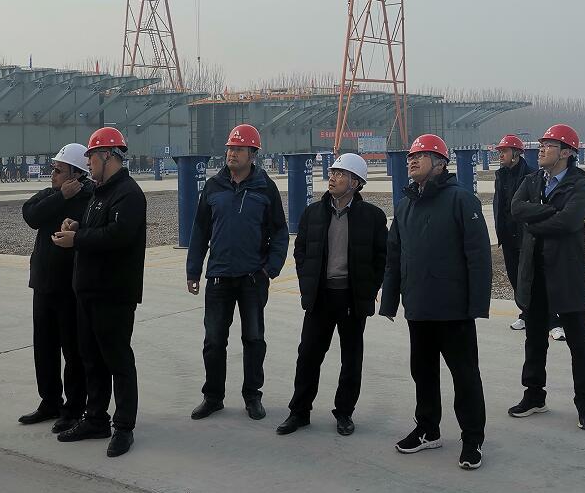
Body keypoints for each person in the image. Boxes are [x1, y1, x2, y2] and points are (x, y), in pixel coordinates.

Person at [380, 134, 492, 471]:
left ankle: (472, 439)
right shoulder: (405, 205)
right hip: (418, 307)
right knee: (423, 373)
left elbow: (478, 256)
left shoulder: (462, 200)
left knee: (465, 376)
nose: (412, 161)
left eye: (421, 155)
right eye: (410, 156)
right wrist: (390, 301)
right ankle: (428, 429)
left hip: (454, 309)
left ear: (440, 163)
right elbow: (394, 257)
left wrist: (477, 304)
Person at [51, 127, 147, 458]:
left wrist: (78, 239)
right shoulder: (100, 193)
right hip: (88, 291)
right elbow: (100, 229)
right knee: (91, 359)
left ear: (107, 156)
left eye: (91, 158)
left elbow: (118, 236)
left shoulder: (128, 194)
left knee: (118, 360)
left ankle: (124, 427)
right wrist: (78, 227)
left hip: (114, 293)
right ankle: (95, 419)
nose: (89, 164)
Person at [278, 153, 388, 437]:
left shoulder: (373, 217)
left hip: (352, 299)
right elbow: (301, 251)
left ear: (355, 183)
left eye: (341, 174)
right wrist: (307, 283)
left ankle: (344, 413)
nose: (333, 177)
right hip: (321, 297)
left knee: (351, 359)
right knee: (308, 356)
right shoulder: (313, 213)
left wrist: (369, 288)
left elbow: (381, 257)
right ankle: (299, 412)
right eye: (333, 172)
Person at [186, 124, 289, 422]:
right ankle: (213, 397)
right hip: (218, 278)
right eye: (230, 148)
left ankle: (252, 396)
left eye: (239, 149)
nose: (232, 153)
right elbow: (200, 230)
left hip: (252, 280)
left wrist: (270, 269)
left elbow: (280, 232)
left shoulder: (265, 187)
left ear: (253, 154)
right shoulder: (213, 186)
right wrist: (193, 270)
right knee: (214, 341)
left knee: (254, 339)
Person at [508, 123, 585, 431]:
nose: (542, 149)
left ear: (566, 152)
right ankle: (534, 395)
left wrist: (535, 223)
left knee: (578, 339)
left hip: (566, 272)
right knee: (534, 338)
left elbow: (569, 221)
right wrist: (549, 212)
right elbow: (516, 208)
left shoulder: (579, 184)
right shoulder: (532, 180)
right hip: (535, 272)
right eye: (542, 144)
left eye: (549, 145)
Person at [18, 143, 93, 434]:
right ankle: (50, 401)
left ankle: (74, 408)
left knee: (73, 351)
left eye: (58, 170)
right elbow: (30, 215)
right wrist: (61, 196)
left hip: (71, 287)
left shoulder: (90, 198)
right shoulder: (51, 194)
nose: (53, 174)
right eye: (53, 169)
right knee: (44, 348)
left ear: (76, 174)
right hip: (43, 284)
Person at [492, 134, 533, 331]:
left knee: (530, 278)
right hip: (508, 236)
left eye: (504, 151)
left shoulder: (531, 175)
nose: (500, 155)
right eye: (500, 151)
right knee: (515, 278)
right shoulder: (500, 176)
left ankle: (551, 319)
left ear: (516, 153)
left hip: (525, 237)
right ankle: (525, 314)